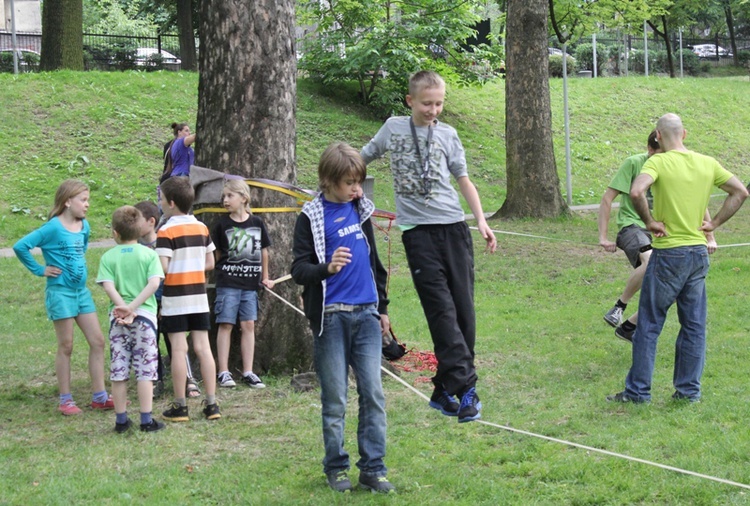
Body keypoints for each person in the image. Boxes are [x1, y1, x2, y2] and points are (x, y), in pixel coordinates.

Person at [360, 70, 497, 423]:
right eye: (426, 103)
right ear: (410, 101)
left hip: (454, 229)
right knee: (441, 312)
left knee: (463, 314)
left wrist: (480, 220)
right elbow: (362, 158)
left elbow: (463, 180)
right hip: (418, 234)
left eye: (439, 103)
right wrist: (342, 185)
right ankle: (467, 389)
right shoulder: (393, 128)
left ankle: (440, 391)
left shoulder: (448, 135)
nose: (433, 110)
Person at [607, 113, 748, 404]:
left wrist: (650, 222)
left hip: (669, 253)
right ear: (683, 134)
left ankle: (637, 393)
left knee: (649, 323)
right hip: (698, 254)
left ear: (658, 136)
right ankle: (688, 393)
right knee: (694, 326)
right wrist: (714, 224)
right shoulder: (707, 162)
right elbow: (740, 192)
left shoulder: (657, 161)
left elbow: (636, 191)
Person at [291, 142, 394, 494]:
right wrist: (327, 267)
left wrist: (382, 308)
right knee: (335, 399)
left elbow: (374, 264)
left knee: (374, 395)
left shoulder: (361, 210)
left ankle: (373, 469)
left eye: (359, 182)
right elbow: (298, 269)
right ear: (328, 180)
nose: (356, 189)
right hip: (331, 319)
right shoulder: (312, 217)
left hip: (366, 316)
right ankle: (336, 467)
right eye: (350, 182)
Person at [13, 179, 114, 415]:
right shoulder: (52, 227)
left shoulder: (84, 226)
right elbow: (20, 246)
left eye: (88, 199)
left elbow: (83, 247)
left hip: (82, 293)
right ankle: (65, 399)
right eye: (83, 200)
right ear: (67, 201)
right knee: (66, 345)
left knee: (97, 341)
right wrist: (40, 269)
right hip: (60, 293)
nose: (87, 205)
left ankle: (99, 396)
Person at [155, 177, 221, 421]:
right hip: (199, 299)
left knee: (180, 349)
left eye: (161, 199)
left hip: (175, 298)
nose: (160, 203)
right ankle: (212, 404)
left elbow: (163, 267)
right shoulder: (201, 227)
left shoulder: (165, 230)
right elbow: (210, 262)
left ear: (171, 203)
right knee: (203, 348)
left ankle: (180, 405)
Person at [96, 206, 166, 433]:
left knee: (119, 370)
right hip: (144, 319)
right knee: (145, 370)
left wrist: (122, 307)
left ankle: (121, 421)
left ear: (115, 233)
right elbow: (154, 284)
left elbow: (108, 285)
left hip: (118, 320)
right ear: (139, 230)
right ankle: (146, 420)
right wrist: (134, 308)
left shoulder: (108, 257)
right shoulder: (149, 255)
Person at [135, 200, 201, 399]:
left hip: (167, 300)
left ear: (150, 222)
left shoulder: (162, 242)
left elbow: (168, 273)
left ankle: (189, 379)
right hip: (145, 303)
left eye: (135, 220)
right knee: (149, 341)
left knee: (175, 341)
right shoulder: (134, 247)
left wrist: (165, 301)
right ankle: (155, 380)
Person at [598, 131, 661, 342]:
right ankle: (619, 306)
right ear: (650, 149)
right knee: (651, 260)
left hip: (660, 231)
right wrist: (604, 237)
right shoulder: (634, 163)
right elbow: (607, 199)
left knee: (668, 282)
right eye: (656, 154)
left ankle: (629, 327)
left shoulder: (672, 166)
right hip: (631, 228)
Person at [211, 179, 273, 389]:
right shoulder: (221, 225)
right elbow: (218, 254)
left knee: (248, 325)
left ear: (243, 198)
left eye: (230, 196)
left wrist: (265, 276)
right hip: (227, 283)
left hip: (250, 285)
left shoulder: (257, 223)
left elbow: (264, 251)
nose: (225, 200)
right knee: (226, 324)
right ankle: (223, 371)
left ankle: (248, 371)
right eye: (224, 196)